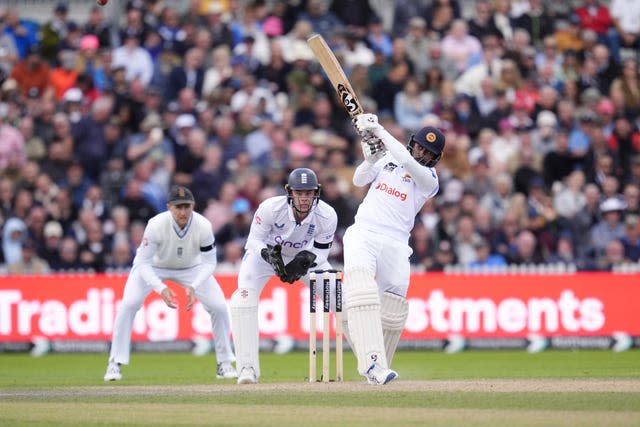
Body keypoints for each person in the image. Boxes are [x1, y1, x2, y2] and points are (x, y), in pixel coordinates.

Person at [346, 114, 444, 385]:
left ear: (435, 158)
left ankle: (378, 368)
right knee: (362, 288)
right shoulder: (388, 158)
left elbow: (406, 161)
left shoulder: (429, 180)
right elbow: (358, 180)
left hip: (397, 243)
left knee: (394, 307)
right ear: (413, 143)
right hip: (364, 232)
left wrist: (379, 130)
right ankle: (372, 366)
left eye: (429, 152)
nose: (422, 153)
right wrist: (370, 159)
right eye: (420, 146)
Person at [104, 186, 236, 381]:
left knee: (219, 306)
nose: (183, 212)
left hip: (192, 268)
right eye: (178, 207)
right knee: (128, 305)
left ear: (193, 206)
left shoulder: (203, 225)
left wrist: (194, 285)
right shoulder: (156, 225)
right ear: (169, 207)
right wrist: (160, 288)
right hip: (155, 267)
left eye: (186, 207)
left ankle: (224, 363)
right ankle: (115, 362)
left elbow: (209, 263)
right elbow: (141, 262)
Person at [230, 168, 337, 384]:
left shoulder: (327, 214)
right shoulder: (270, 208)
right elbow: (253, 241)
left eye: (309, 193)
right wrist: (267, 254)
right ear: (290, 192)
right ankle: (247, 369)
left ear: (316, 193)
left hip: (304, 257)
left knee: (335, 291)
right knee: (243, 301)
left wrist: (304, 261)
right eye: (299, 192)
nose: (304, 198)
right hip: (264, 258)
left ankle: (370, 364)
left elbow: (322, 251)